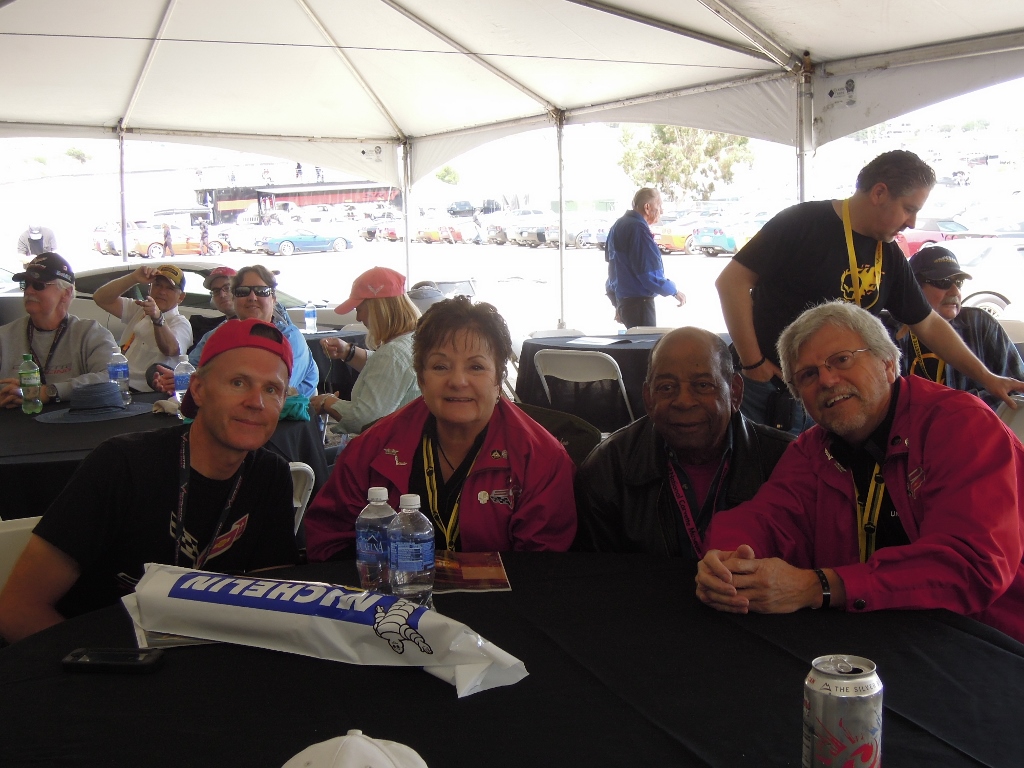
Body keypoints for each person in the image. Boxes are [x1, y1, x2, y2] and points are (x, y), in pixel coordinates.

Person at [695, 301, 1024, 644]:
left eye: (842, 360)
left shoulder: (961, 425)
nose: (826, 380)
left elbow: (973, 565)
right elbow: (766, 518)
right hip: (871, 643)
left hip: (988, 642)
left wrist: (819, 586)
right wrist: (727, 562)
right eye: (807, 375)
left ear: (888, 363)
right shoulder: (813, 449)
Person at [0, 318, 301, 643]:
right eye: (239, 383)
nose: (256, 402)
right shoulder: (122, 465)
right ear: (198, 389)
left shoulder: (271, 475)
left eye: (271, 389)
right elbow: (17, 609)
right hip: (99, 660)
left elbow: (271, 600)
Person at [716, 150, 1023, 432]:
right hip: (767, 386)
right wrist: (753, 363)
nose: (912, 222)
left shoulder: (888, 252)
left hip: (831, 392)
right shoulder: (803, 222)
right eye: (908, 209)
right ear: (879, 193)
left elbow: (927, 323)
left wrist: (988, 378)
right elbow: (731, 282)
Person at [305, 296, 577, 560]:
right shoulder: (371, 450)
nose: (458, 381)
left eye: (476, 367)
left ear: (498, 380)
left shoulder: (541, 458)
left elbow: (544, 569)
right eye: (440, 366)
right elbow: (329, 542)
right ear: (421, 379)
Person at [574, 327, 793, 556]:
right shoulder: (608, 470)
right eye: (667, 387)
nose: (684, 401)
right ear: (648, 398)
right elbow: (597, 582)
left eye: (702, 385)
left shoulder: (785, 463)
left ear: (735, 393)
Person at [893, 246, 1024, 410]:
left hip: (977, 429)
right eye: (944, 282)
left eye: (959, 282)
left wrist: (961, 408)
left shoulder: (980, 324)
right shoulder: (892, 331)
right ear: (914, 288)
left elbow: (1017, 391)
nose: (955, 291)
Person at [310, 266, 421, 434]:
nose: (358, 318)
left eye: (359, 309)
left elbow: (364, 419)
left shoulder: (393, 354)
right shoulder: (414, 339)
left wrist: (328, 401)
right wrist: (348, 352)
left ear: (378, 309)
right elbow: (387, 372)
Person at [0, 253, 118, 408]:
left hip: (74, 427)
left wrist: (50, 392)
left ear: (66, 293)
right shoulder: (4, 336)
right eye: (25, 284)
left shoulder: (90, 333)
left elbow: (113, 377)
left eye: (38, 285)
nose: (29, 291)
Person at [183, 265, 318, 397]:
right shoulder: (218, 335)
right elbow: (189, 372)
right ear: (234, 299)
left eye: (261, 291)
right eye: (243, 291)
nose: (252, 297)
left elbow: (273, 392)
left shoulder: (290, 338)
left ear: (273, 299)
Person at [91, 264, 193, 391]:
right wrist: (133, 278)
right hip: (117, 383)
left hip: (144, 393)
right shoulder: (140, 309)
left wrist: (158, 318)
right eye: (157, 285)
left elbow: (171, 349)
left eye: (170, 288)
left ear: (181, 297)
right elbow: (100, 298)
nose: (162, 291)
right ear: (150, 288)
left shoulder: (180, 323)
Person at [605, 187, 686, 328]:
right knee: (645, 347)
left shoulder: (618, 225)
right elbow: (648, 274)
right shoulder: (638, 230)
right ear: (647, 207)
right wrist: (674, 291)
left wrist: (617, 302)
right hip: (639, 304)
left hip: (625, 303)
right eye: (659, 205)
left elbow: (613, 271)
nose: (662, 211)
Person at [187, 266, 238, 356]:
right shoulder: (211, 335)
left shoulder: (257, 328)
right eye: (216, 291)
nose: (222, 295)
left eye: (227, 288)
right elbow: (191, 364)